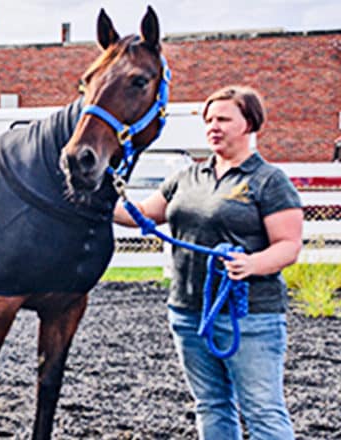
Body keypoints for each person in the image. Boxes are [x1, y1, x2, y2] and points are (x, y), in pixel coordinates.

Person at [114, 85, 303, 439]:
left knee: (262, 410)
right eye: (209, 120)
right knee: (211, 404)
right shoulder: (187, 177)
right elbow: (142, 214)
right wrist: (93, 200)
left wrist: (252, 264)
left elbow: (288, 245)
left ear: (248, 124)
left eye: (224, 119)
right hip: (188, 313)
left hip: (249, 317)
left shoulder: (267, 181)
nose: (213, 126)